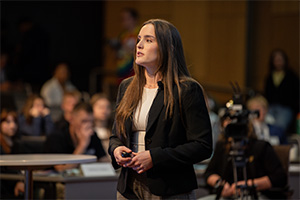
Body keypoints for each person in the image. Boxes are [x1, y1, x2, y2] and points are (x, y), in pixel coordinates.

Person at [108, 19, 212, 199]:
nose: (139, 45)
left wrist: (155, 157)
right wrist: (116, 149)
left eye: (148, 40)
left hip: (169, 188)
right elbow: (115, 136)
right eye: (139, 39)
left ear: (167, 47)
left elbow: (202, 146)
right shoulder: (126, 87)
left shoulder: (186, 89)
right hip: (129, 187)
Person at [204, 110, 287, 199]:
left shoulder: (261, 147)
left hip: (256, 194)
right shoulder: (222, 146)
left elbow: (279, 177)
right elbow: (209, 173)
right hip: (227, 195)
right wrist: (220, 184)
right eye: (228, 121)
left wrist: (248, 185)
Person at [44, 102, 107, 172]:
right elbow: (62, 170)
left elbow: (105, 163)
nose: (88, 126)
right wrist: (82, 145)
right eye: (84, 121)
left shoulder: (92, 135)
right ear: (71, 120)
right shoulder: (56, 137)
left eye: (91, 122)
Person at [264, 49, 299, 133]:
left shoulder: (291, 76)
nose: (278, 62)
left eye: (280, 59)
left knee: (280, 125)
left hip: (286, 107)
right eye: (276, 60)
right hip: (271, 106)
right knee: (266, 122)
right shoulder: (269, 77)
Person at [110, 8, 140, 84]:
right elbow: (116, 56)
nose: (124, 21)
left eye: (127, 18)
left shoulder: (140, 33)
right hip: (122, 71)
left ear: (134, 19)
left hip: (133, 71)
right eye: (122, 19)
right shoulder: (122, 36)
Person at [0, 109, 25, 199]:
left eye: (14, 122)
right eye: (7, 122)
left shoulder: (17, 144)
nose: (12, 126)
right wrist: (17, 181)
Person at [90, 93, 112, 159]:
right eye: (100, 107)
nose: (104, 110)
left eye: (108, 107)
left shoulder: (114, 130)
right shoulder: (89, 131)